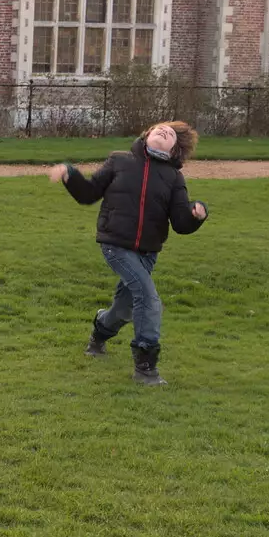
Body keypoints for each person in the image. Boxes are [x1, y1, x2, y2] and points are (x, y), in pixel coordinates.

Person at [48, 120, 209, 386]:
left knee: (123, 309)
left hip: (147, 254)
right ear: (146, 135)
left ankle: (99, 336)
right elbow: (88, 194)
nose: (163, 131)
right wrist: (70, 174)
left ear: (174, 150)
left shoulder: (173, 178)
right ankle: (146, 368)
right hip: (115, 246)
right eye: (159, 128)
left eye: (169, 134)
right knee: (148, 298)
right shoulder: (119, 161)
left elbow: (180, 223)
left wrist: (197, 213)